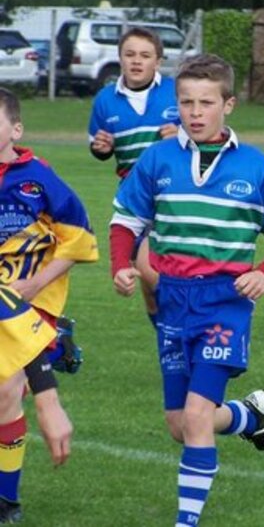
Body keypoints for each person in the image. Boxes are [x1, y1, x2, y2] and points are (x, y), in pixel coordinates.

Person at [108, 54, 264, 526]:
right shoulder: (159, 158)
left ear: (228, 105)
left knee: (196, 415)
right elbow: (125, 221)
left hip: (225, 303)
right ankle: (249, 417)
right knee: (181, 425)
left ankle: (186, 522)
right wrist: (120, 265)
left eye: (206, 103)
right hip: (173, 300)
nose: (195, 112)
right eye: (186, 103)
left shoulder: (255, 166)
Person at [0, 87, 99, 523]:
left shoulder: (38, 179)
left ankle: (6, 501)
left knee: (5, 391)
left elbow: (79, 241)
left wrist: (35, 282)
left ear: (15, 129)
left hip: (32, 300)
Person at [89, 26, 180, 327]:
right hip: (134, 196)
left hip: (173, 195)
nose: (136, 61)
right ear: (120, 59)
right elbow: (100, 146)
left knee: (149, 268)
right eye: (129, 54)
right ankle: (171, 343)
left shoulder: (176, 92)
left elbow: (203, 136)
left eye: (145, 55)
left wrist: (183, 135)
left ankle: (184, 328)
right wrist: (101, 147)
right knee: (149, 286)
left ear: (158, 61)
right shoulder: (105, 100)